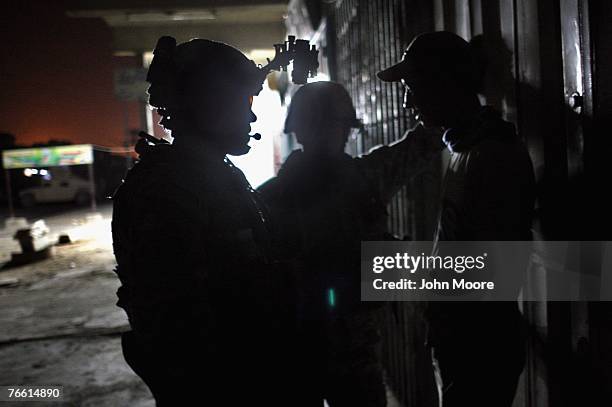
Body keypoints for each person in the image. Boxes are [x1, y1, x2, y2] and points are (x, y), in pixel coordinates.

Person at [111, 36, 296, 406]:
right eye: (241, 102)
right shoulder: (167, 188)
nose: (251, 117)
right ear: (209, 105)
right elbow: (178, 323)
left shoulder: (209, 174)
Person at [258, 81, 441, 407]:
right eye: (331, 127)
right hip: (320, 343)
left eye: (337, 127)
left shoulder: (270, 197)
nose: (335, 135)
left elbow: (423, 143)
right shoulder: (363, 179)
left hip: (316, 345)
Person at [378, 31, 536, 406]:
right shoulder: (466, 148)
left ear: (445, 84)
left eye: (412, 86)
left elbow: (494, 273)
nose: (406, 102)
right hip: (463, 343)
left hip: (477, 346)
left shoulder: (491, 155)